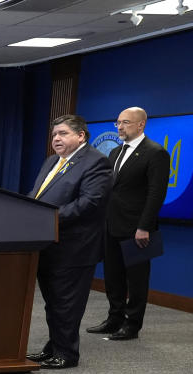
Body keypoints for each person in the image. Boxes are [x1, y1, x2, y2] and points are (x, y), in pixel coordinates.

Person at [26, 114, 113, 370]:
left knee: (67, 302)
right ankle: (53, 347)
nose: (56, 139)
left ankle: (66, 353)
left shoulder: (97, 162)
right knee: (53, 302)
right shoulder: (52, 161)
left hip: (75, 247)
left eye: (63, 133)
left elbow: (89, 203)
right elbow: (36, 195)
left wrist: (47, 218)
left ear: (80, 136)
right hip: (47, 244)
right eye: (54, 135)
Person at [86, 107, 171, 341]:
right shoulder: (115, 152)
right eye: (118, 123)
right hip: (111, 225)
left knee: (137, 279)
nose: (120, 127)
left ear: (141, 125)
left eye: (125, 122)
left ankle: (132, 325)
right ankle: (115, 318)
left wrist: (144, 226)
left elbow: (156, 194)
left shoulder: (156, 153)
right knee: (113, 276)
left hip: (138, 228)